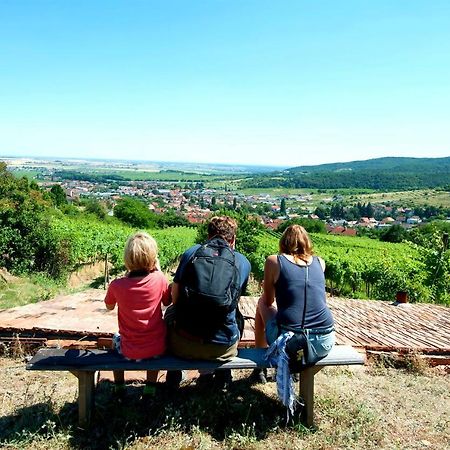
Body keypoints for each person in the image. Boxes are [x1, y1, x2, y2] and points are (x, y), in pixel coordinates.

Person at [165, 216, 251, 389]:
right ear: (233, 239)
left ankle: (173, 374)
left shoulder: (192, 253)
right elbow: (234, 301)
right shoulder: (242, 262)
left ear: (208, 236)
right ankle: (222, 374)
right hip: (223, 349)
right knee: (238, 316)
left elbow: (174, 299)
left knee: (170, 312)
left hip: (182, 344)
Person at [252, 224, 335, 383]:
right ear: (307, 242)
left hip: (292, 343)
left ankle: (260, 368)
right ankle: (294, 367)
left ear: (283, 242)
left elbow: (269, 301)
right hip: (324, 341)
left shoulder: (274, 261)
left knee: (261, 304)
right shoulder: (320, 262)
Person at [104, 231, 171, 396]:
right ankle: (150, 387)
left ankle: (119, 385)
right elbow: (167, 302)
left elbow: (109, 306)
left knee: (115, 338)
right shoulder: (160, 279)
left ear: (127, 258)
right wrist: (159, 272)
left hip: (128, 350)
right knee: (156, 337)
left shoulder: (117, 285)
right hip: (157, 347)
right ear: (153, 258)